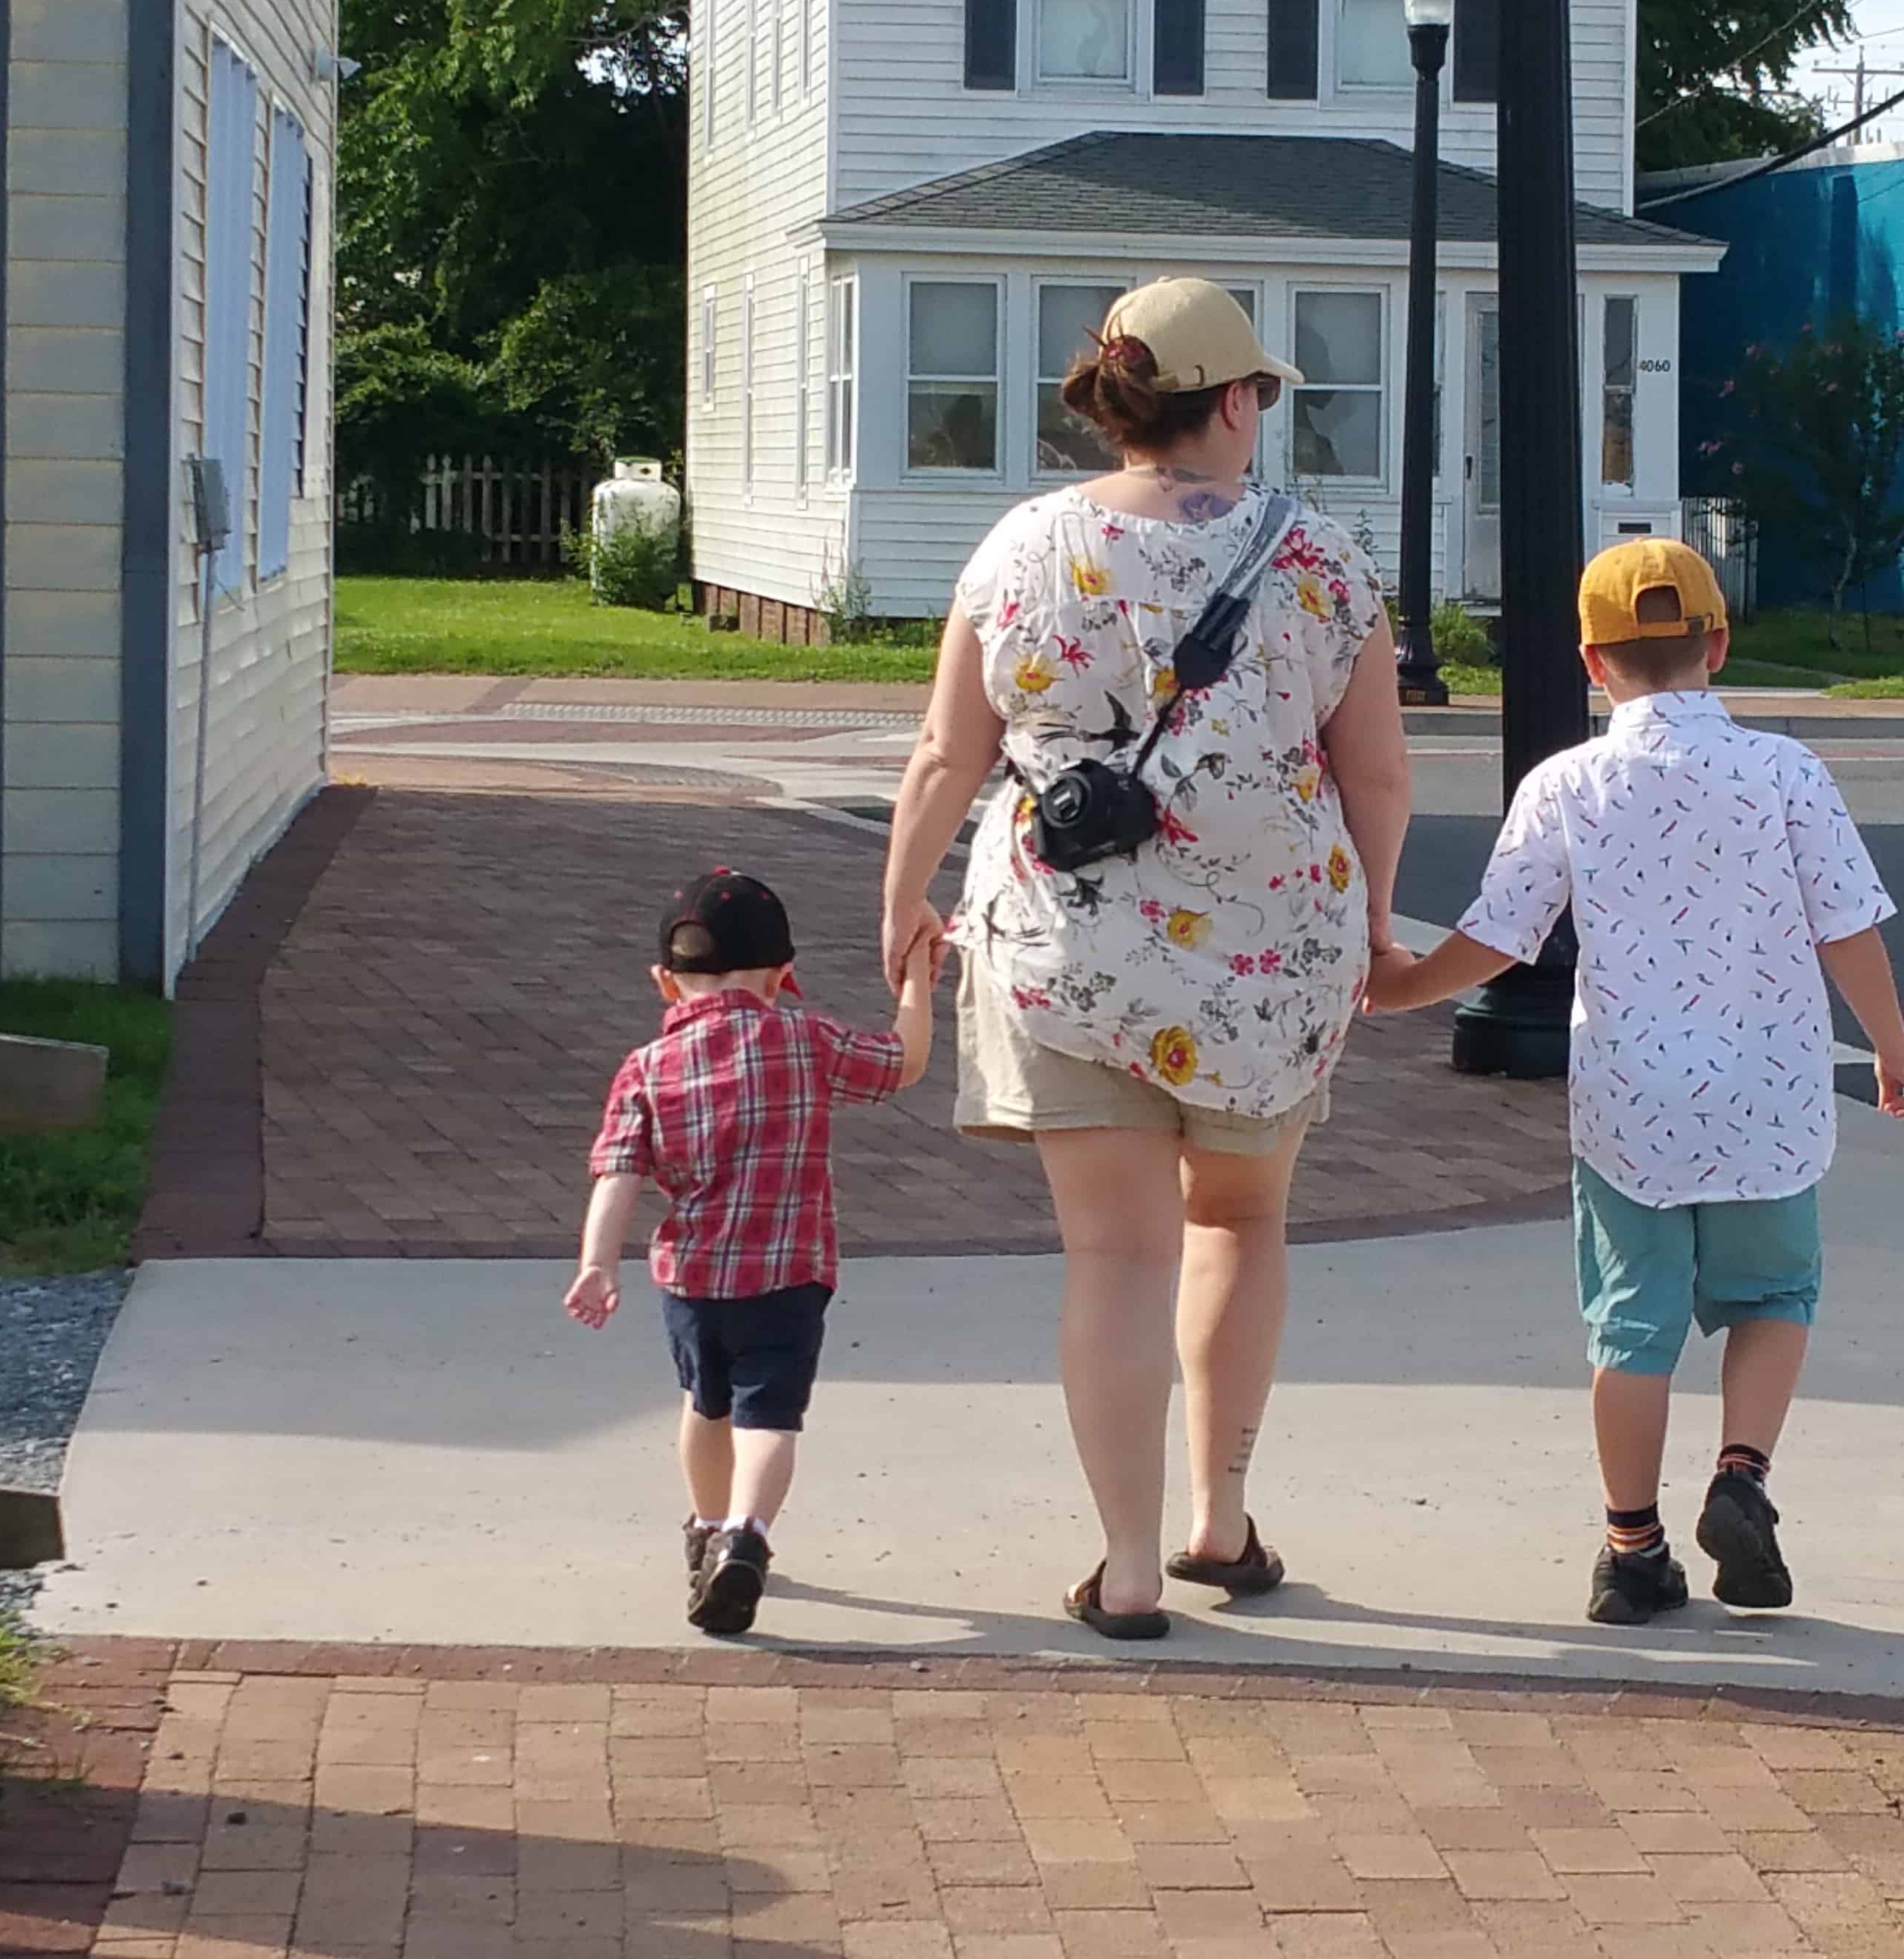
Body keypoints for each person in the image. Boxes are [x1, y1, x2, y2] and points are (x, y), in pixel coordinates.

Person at [880, 277, 1411, 1640]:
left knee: (1111, 1257)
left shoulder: (1016, 546)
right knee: (1236, 1221)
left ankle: (1121, 1562)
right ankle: (1217, 1519)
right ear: (1232, 400)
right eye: (1260, 396)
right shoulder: (1322, 560)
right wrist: (1372, 918)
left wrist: (901, 899)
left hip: (1068, 953)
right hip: (1264, 957)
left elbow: (949, 750)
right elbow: (1376, 776)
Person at [1365, 539, 1904, 1626]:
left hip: (1631, 1102)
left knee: (1630, 1327)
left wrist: (1397, 991)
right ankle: (1740, 1476)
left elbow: (1501, 934)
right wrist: (1893, 1047)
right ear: (1716, 644)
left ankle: (1630, 1552)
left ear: (1590, 662)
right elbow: (1844, 923)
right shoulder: (1785, 772)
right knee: (1773, 1295)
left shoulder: (1566, 784)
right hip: (1768, 1091)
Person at [563, 870, 937, 1638]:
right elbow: (903, 1063)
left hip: (695, 1281)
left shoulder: (645, 1067)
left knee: (707, 1406)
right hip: (790, 1276)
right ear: (784, 976)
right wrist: (918, 984)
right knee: (770, 1418)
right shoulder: (805, 1037)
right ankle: (750, 1534)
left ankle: (706, 1525)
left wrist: (597, 1263)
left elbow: (618, 1173)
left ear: (665, 983)